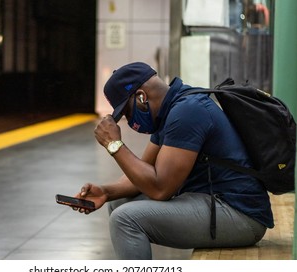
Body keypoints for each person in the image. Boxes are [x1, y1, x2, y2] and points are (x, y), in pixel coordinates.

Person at [74, 62, 273, 260]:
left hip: (241, 215)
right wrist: (106, 191)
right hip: (214, 202)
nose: (129, 119)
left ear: (141, 97)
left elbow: (160, 189)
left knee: (125, 219)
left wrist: (113, 145)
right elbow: (144, 172)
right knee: (117, 203)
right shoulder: (172, 108)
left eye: (127, 112)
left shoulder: (187, 112)